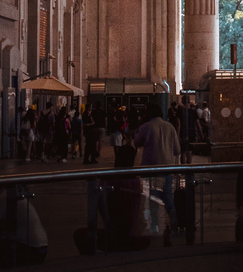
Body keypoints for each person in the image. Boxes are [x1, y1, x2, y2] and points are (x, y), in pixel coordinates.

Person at [73, 145, 150, 254]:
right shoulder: (136, 181)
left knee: (80, 235)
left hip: (115, 234)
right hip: (135, 235)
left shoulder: (109, 179)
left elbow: (101, 203)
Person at [133, 103, 180, 239]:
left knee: (153, 197)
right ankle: (172, 211)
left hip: (151, 167)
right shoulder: (170, 127)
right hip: (168, 166)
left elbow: (137, 142)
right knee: (167, 194)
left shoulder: (147, 127)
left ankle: (154, 224)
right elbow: (177, 150)